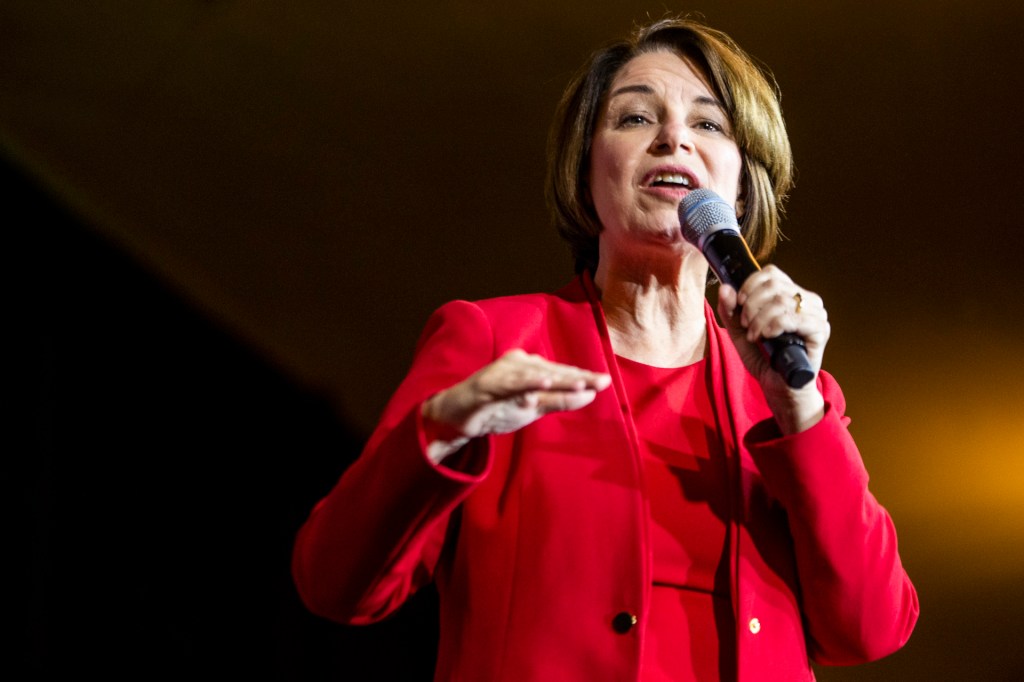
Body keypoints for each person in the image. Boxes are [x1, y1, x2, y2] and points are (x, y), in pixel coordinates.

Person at [291, 15, 919, 681]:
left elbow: (870, 629)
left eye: (708, 124)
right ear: (586, 170)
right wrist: (440, 433)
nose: (673, 136)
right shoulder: (492, 341)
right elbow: (335, 584)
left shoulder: (795, 395)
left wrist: (799, 412)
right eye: (635, 118)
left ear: (743, 184)